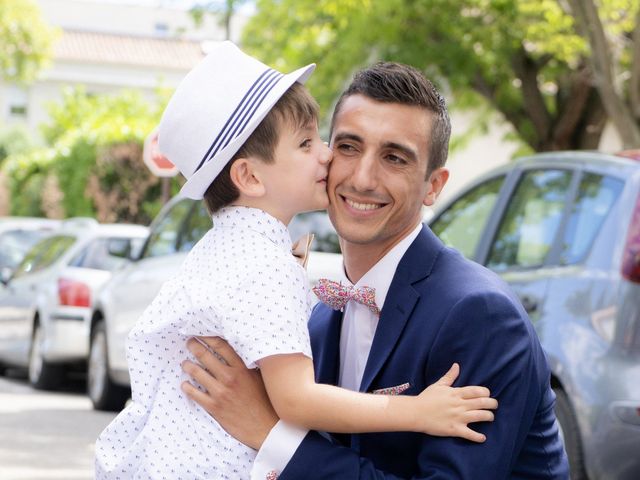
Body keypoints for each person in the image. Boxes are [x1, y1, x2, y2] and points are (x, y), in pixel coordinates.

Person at [94, 43, 498, 479]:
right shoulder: (266, 266)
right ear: (249, 176)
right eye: (307, 143)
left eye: (320, 138)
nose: (326, 155)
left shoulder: (221, 250)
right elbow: (297, 400)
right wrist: (416, 411)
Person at [181, 61, 570, 479]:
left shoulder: (481, 316)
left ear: (434, 186)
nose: (364, 178)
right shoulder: (317, 319)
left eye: (394, 158)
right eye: (348, 147)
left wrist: (271, 435)